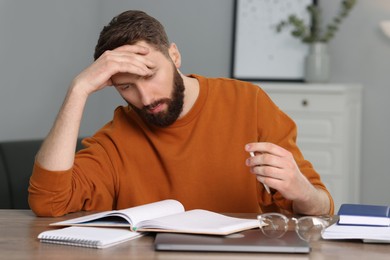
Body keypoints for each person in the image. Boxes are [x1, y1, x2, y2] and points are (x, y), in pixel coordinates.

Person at [28, 10, 334, 217]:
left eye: (149, 75)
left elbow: (322, 207)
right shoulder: (117, 138)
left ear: (174, 56)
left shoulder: (248, 102)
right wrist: (78, 90)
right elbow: (48, 201)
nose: (145, 98)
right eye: (126, 87)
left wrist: (302, 191)